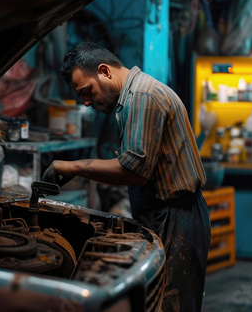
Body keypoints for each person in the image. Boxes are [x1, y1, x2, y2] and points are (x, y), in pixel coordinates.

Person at [42, 42, 211, 311]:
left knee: (172, 304)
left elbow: (134, 171)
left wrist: (73, 167)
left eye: (87, 91)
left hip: (177, 218)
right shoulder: (133, 96)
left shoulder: (143, 96)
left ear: (104, 71)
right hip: (165, 214)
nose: (86, 102)